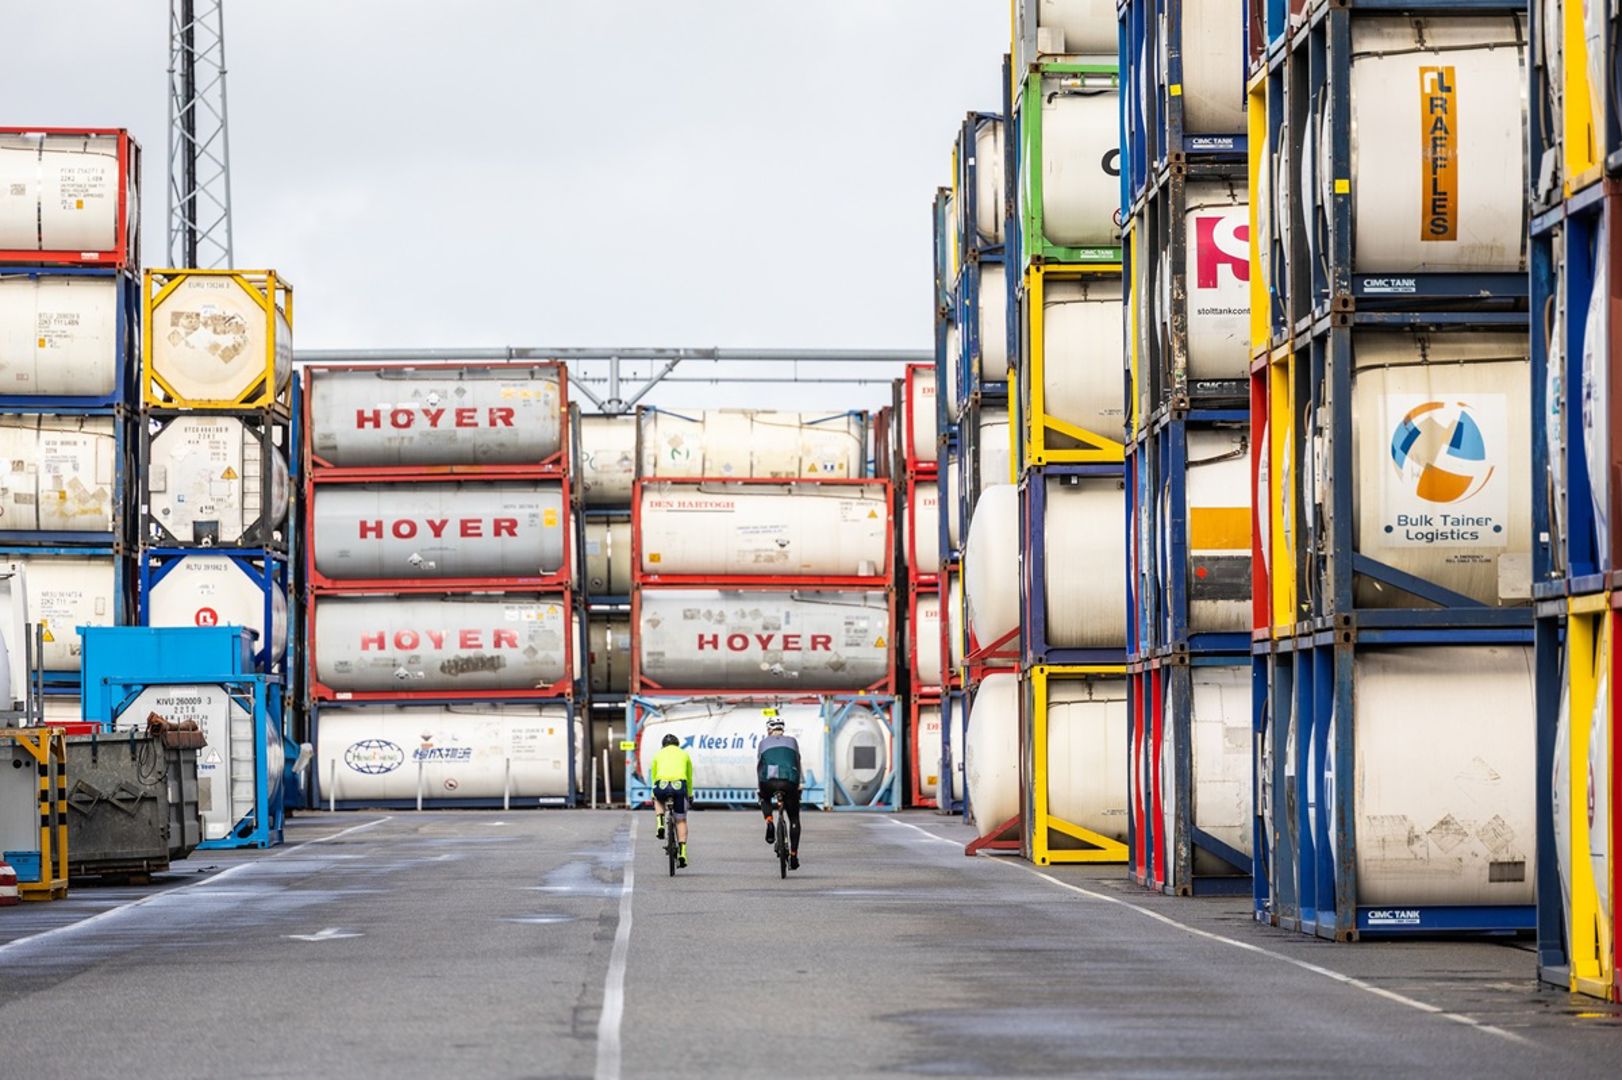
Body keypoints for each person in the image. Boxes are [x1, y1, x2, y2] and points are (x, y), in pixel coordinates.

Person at [756, 715, 802, 871]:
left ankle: (769, 821)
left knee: (764, 797)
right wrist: (798, 785)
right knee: (794, 818)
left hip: (768, 781)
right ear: (782, 729)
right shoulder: (792, 742)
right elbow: (797, 763)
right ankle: (794, 856)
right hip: (789, 781)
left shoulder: (763, 743)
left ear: (769, 730)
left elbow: (760, 766)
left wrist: (760, 787)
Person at [649, 733, 694, 867]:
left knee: (657, 799)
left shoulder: (657, 755)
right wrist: (690, 794)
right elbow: (689, 778)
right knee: (681, 820)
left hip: (662, 785)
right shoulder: (684, 754)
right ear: (677, 744)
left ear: (663, 745)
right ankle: (682, 853)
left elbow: (654, 777)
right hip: (679, 786)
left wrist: (653, 794)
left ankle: (660, 823)